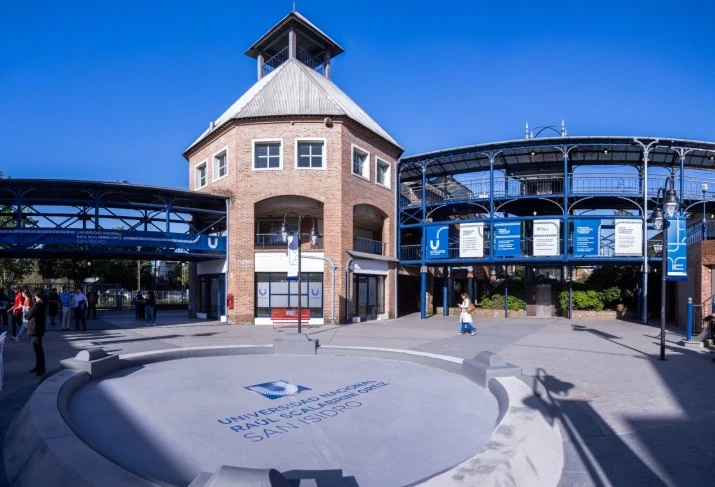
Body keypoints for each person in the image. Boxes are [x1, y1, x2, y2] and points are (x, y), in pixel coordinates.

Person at [25, 288, 47, 377]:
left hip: (36, 328)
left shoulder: (38, 304)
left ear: (35, 295)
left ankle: (41, 369)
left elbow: (28, 315)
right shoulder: (41, 303)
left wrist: (28, 311)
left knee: (38, 349)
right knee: (37, 349)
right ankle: (38, 367)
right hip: (38, 328)